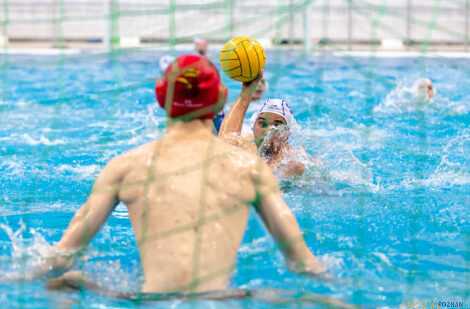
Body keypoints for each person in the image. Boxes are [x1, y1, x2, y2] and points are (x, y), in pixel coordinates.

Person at [32, 55, 324, 295]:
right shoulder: (249, 168)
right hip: (221, 301)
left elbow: (59, 257)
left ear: (161, 99)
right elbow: (302, 263)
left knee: (67, 279)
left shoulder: (124, 166)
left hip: (147, 301)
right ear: (219, 102)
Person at [218, 75, 307, 177]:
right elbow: (226, 138)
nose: (268, 130)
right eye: (263, 124)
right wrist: (246, 92)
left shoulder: (292, 162)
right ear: (253, 126)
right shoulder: (248, 149)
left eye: (277, 125)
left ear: (287, 132)